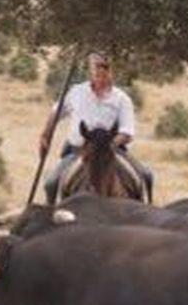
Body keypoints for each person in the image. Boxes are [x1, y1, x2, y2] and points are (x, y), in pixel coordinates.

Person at [39, 51, 154, 203]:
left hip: (111, 150)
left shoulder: (122, 99)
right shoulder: (76, 92)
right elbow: (56, 112)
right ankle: (53, 213)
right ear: (91, 70)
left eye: (105, 68)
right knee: (51, 183)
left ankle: (143, 209)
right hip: (79, 151)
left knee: (146, 175)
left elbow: (127, 132)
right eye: (97, 68)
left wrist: (109, 143)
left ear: (112, 71)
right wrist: (45, 135)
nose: (100, 72)